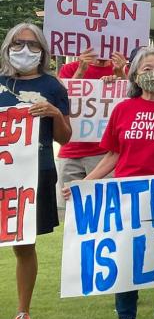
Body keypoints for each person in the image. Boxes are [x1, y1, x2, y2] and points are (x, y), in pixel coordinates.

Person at [71, 46, 154, 319]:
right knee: (126, 255)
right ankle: (125, 318)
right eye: (146, 69)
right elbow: (112, 154)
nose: (153, 73)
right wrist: (88, 182)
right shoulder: (123, 109)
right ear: (134, 74)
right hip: (126, 194)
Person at [1, 24, 71, 319]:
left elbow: (65, 139)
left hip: (33, 174)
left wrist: (55, 113)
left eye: (33, 45)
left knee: (24, 244)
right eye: (19, 43)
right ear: (8, 46)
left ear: (43, 51)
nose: (25, 50)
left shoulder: (53, 86)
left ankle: (22, 313)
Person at [55, 48, 127, 217]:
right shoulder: (70, 69)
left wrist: (121, 77)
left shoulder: (121, 69)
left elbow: (133, 101)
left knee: (105, 212)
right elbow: (61, 102)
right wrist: (80, 72)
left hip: (104, 153)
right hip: (71, 151)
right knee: (73, 214)